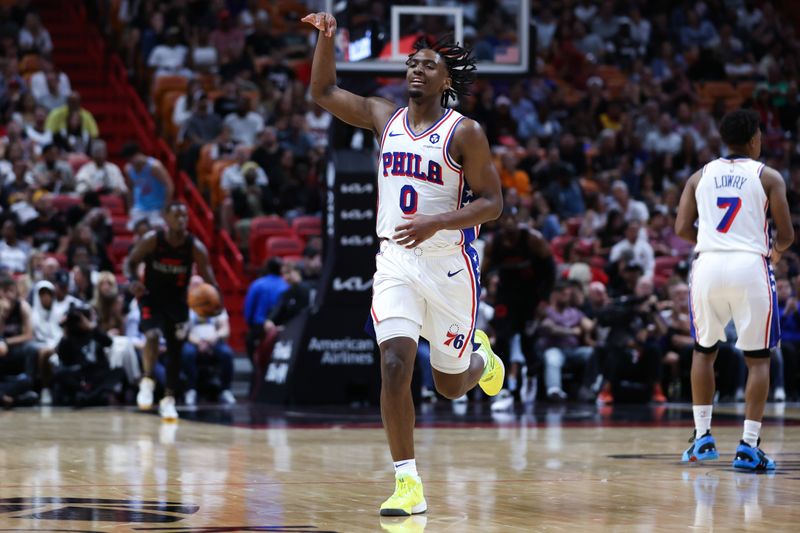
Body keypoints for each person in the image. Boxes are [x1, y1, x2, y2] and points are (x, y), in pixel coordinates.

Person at [303, 12, 505, 516]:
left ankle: (483, 361)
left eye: (428, 64)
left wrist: (437, 223)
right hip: (395, 261)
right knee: (394, 364)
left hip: (449, 266)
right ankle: (407, 483)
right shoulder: (381, 115)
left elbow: (493, 203)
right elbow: (323, 92)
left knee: (451, 385)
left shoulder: (465, 133)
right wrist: (326, 39)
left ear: (446, 79)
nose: (416, 69)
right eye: (412, 62)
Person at [675, 109, 794, 471]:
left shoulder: (699, 176)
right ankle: (748, 445)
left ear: (724, 140)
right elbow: (786, 236)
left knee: (703, 350)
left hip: (708, 264)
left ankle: (702, 438)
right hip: (749, 266)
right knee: (757, 359)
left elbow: (681, 227)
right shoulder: (769, 176)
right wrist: (773, 253)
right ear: (755, 139)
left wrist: (715, 241)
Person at [126, 202, 219, 421]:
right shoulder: (152, 240)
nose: (181, 220)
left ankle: (168, 400)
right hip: (151, 297)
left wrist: (217, 302)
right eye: (176, 215)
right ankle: (147, 381)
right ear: (165, 218)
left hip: (178, 302)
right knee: (152, 335)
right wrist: (132, 281)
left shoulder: (194, 246)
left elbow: (209, 278)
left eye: (184, 216)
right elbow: (131, 263)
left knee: (175, 353)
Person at [122, 142, 174, 228]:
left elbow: (169, 186)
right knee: (135, 231)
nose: (131, 163)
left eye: (131, 160)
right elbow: (130, 189)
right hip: (140, 207)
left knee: (157, 232)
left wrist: (165, 208)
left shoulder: (155, 167)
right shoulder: (129, 168)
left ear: (137, 155)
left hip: (157, 208)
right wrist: (130, 207)